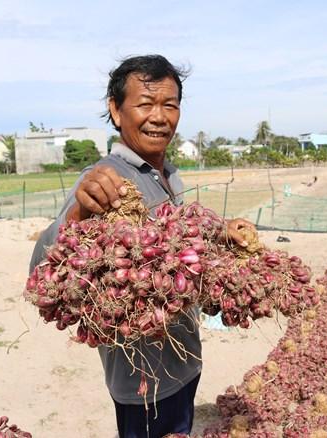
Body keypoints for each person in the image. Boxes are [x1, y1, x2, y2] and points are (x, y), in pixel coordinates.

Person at [29, 55, 254, 438]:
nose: (159, 116)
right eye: (145, 104)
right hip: (143, 381)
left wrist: (222, 230)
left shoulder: (169, 175)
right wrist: (78, 215)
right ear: (116, 111)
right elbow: (40, 271)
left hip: (184, 362)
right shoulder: (105, 180)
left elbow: (178, 240)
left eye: (170, 105)